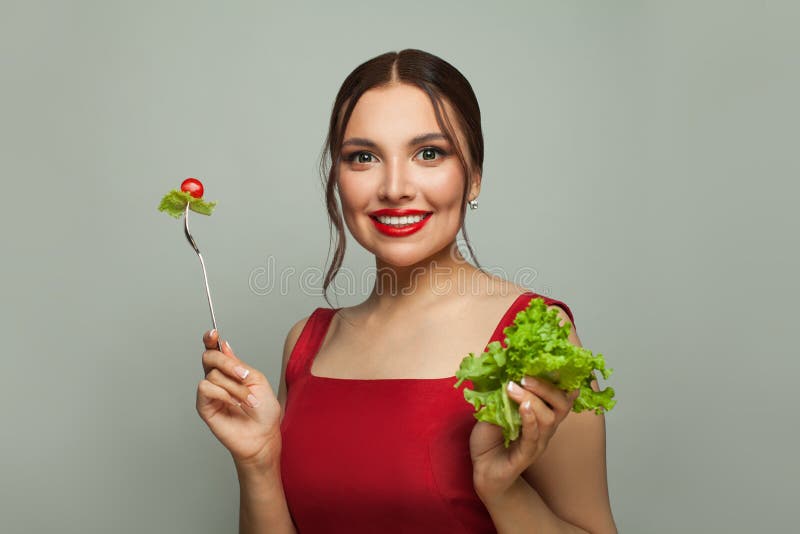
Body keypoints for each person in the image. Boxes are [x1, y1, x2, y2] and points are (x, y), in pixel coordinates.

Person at [196, 49, 617, 534]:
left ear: (474, 176)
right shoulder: (306, 343)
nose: (394, 187)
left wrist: (503, 491)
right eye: (364, 157)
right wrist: (259, 462)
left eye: (429, 153)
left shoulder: (538, 334)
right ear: (338, 179)